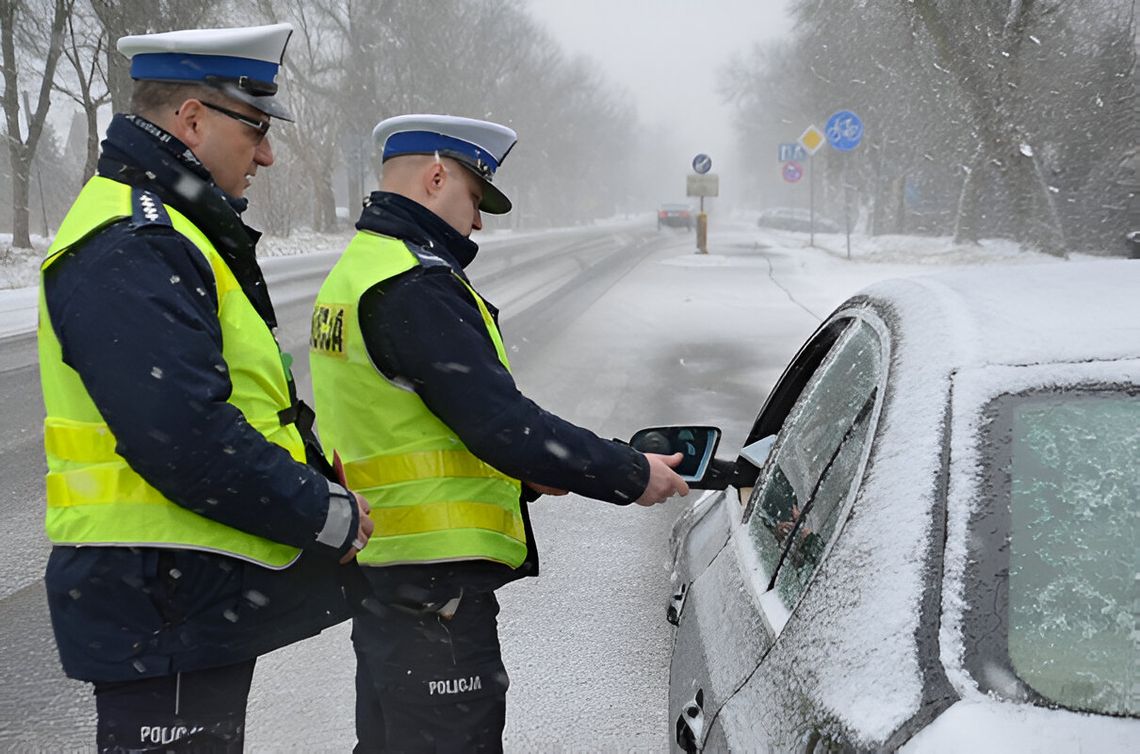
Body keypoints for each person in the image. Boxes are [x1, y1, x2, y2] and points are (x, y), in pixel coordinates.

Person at [37, 23, 372, 752]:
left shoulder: (169, 229)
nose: (268, 152)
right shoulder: (139, 240)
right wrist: (322, 511)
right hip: (163, 597)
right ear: (191, 119)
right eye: (254, 127)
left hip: (176, 596)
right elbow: (184, 437)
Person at [309, 114, 690, 752]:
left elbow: (414, 424)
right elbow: (501, 423)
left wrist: (528, 471)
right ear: (436, 178)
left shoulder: (360, 269)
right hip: (436, 592)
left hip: (389, 575)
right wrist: (629, 471)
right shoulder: (413, 284)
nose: (479, 222)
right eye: (475, 199)